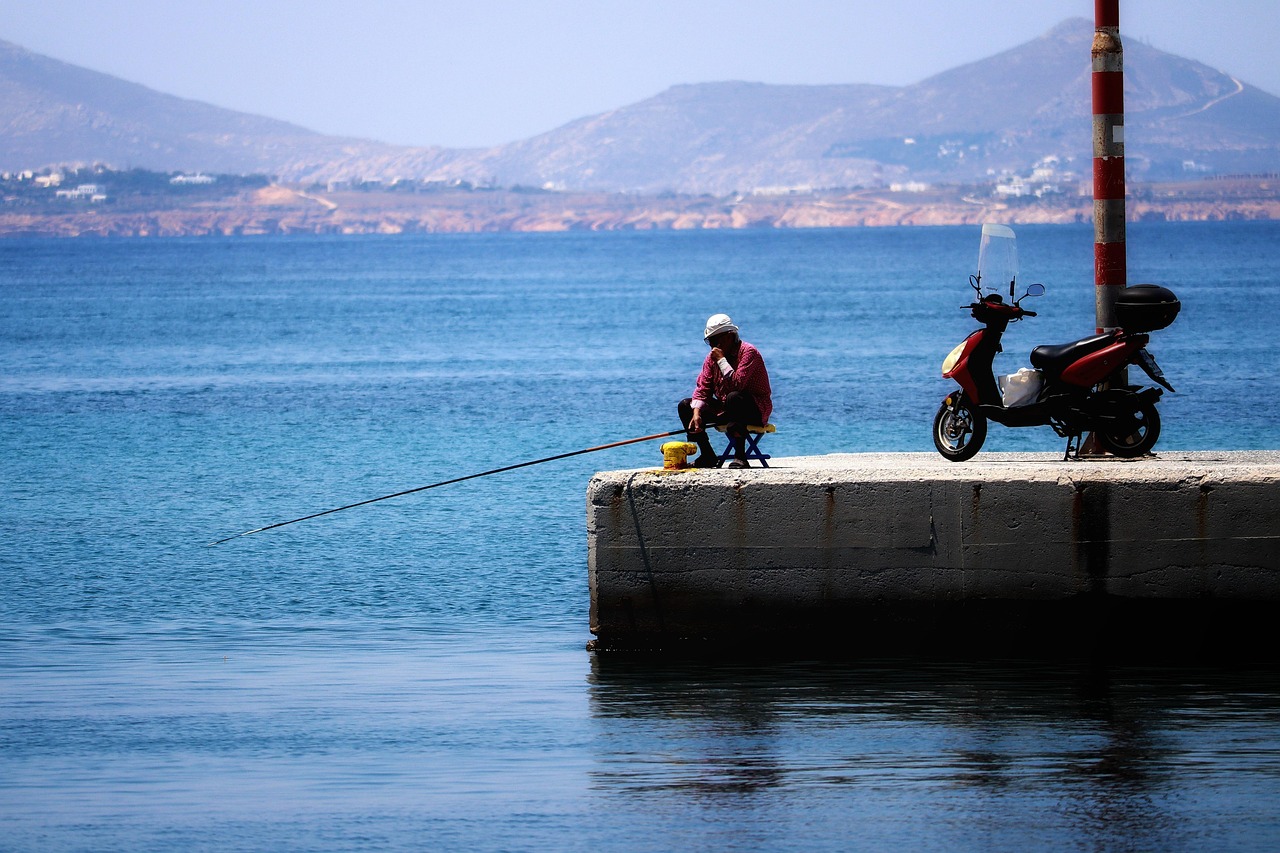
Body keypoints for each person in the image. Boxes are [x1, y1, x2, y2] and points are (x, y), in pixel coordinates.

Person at [678, 313, 772, 468]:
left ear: (729, 336)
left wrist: (722, 360)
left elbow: (737, 384)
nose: (712, 345)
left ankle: (740, 457)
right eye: (710, 341)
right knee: (686, 405)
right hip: (726, 408)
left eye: (715, 340)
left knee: (734, 397)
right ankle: (707, 455)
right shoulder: (711, 358)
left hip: (753, 408)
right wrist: (696, 414)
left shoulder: (749, 352)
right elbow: (703, 387)